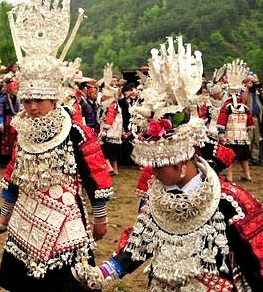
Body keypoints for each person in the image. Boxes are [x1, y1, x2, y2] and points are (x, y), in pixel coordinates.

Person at [73, 37, 263, 292]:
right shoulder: (156, 201)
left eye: (159, 164)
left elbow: (255, 264)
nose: (153, 172)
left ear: (182, 160)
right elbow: (135, 250)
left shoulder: (230, 202)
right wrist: (100, 274)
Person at [0, 0, 112, 292]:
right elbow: (13, 179)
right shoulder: (24, 134)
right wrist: (4, 218)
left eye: (40, 101)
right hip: (25, 219)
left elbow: (96, 177)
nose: (32, 107)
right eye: (28, 100)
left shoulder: (76, 133)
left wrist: (100, 219)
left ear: (54, 100)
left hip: (65, 220)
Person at [217, 60, 254, 181]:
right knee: (244, 157)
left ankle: (230, 175)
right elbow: (249, 121)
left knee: (230, 156)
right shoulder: (244, 106)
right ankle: (247, 174)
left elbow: (222, 119)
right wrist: (248, 131)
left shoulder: (227, 105)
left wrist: (221, 133)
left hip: (230, 135)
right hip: (242, 136)